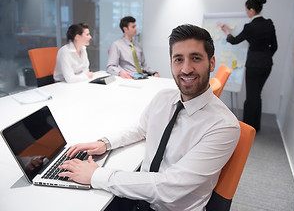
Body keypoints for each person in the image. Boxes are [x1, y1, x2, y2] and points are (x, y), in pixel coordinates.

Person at [58, 24, 240, 211]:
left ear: (211, 63)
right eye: (178, 59)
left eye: (195, 58)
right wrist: (105, 143)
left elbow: (169, 188)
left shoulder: (223, 125)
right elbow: (141, 129)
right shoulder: (164, 98)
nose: (186, 69)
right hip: (137, 196)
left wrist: (97, 175)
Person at [221, 0, 278, 132]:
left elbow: (234, 41)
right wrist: (265, 57)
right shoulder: (269, 23)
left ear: (252, 9)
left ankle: (247, 127)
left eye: (247, 10)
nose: (246, 13)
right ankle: (255, 126)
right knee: (257, 94)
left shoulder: (250, 27)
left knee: (251, 96)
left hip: (253, 65)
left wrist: (227, 32)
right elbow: (274, 46)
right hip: (267, 65)